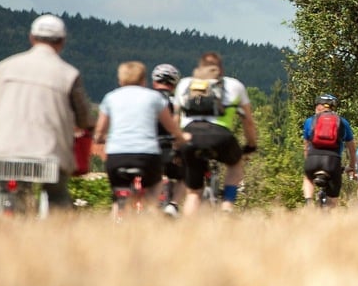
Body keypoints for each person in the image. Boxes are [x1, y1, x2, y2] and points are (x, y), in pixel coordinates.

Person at [0, 14, 94, 210]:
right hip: (48, 153)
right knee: (57, 195)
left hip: (4, 148)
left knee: (2, 191)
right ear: (62, 42)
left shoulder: (5, 67)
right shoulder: (68, 74)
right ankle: (56, 235)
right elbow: (84, 118)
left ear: (31, 38)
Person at [94, 61, 190, 217]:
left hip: (116, 156)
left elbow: (99, 133)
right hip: (147, 155)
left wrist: (104, 138)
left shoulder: (110, 97)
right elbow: (172, 127)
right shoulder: (154, 98)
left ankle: (114, 225)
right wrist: (181, 138)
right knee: (155, 184)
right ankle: (153, 211)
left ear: (120, 80)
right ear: (143, 80)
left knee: (118, 199)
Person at [175, 52, 258, 215]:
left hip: (190, 137)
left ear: (199, 67)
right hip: (221, 137)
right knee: (235, 165)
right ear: (221, 68)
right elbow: (247, 120)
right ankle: (227, 206)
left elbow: (174, 118)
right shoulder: (234, 85)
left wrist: (176, 146)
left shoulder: (184, 84)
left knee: (193, 193)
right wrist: (251, 144)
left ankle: (186, 234)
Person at [302, 93, 356, 208]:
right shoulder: (342, 122)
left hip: (313, 158)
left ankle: (308, 202)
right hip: (332, 160)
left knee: (308, 177)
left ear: (318, 106)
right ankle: (328, 214)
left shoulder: (309, 121)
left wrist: (308, 162)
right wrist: (351, 166)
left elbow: (306, 147)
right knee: (333, 197)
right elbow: (352, 149)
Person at [151, 63, 184, 217]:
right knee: (185, 175)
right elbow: (176, 126)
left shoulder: (145, 99)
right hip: (164, 148)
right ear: (174, 83)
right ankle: (173, 205)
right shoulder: (172, 103)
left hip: (142, 147)